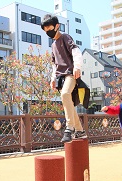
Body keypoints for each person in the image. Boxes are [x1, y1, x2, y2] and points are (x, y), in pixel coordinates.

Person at [41, 14, 87, 142]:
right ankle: (80, 131)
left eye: (49, 29)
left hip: (71, 74)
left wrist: (77, 67)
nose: (48, 32)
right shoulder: (53, 45)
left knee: (65, 95)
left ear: (57, 26)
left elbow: (76, 51)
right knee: (70, 104)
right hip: (61, 77)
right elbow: (54, 65)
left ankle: (69, 128)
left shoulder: (65, 37)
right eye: (45, 31)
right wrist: (52, 78)